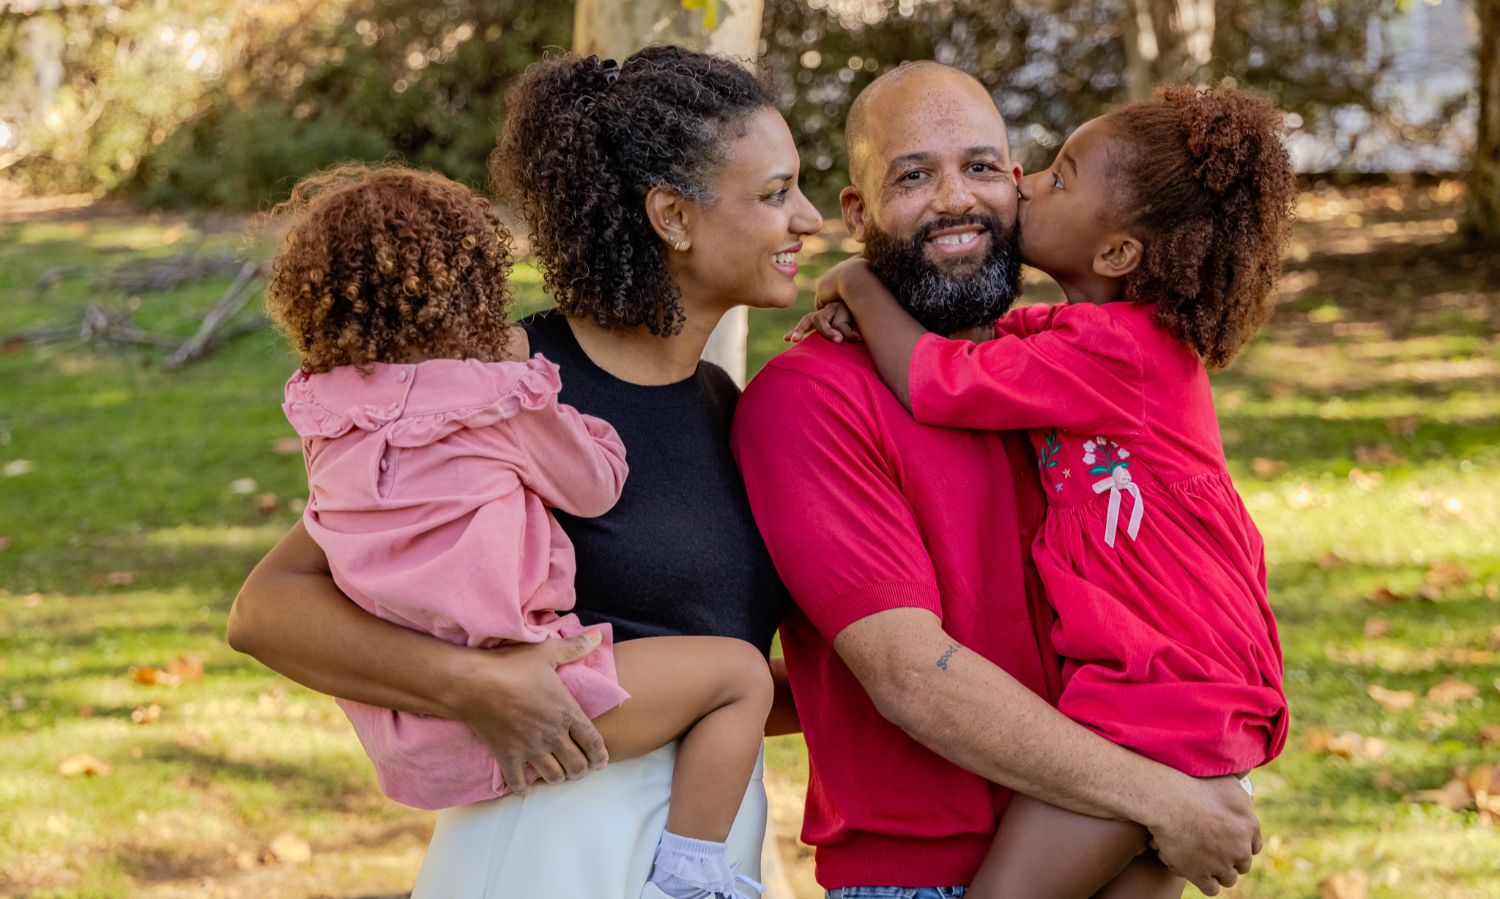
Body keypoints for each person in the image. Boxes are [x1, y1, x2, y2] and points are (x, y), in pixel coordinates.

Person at [227, 46, 822, 897]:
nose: (805, 219)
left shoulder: (733, 409)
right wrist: (474, 684)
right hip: (542, 854)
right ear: (672, 216)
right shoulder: (503, 382)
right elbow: (268, 609)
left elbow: (726, 668)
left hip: (705, 858)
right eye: (774, 194)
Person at [731, 62, 1263, 899]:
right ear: (859, 213)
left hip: (1135, 804)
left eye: (984, 167)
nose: (957, 199)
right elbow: (909, 674)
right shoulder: (812, 398)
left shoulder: (1052, 373)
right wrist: (1166, 796)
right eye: (914, 175)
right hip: (940, 874)